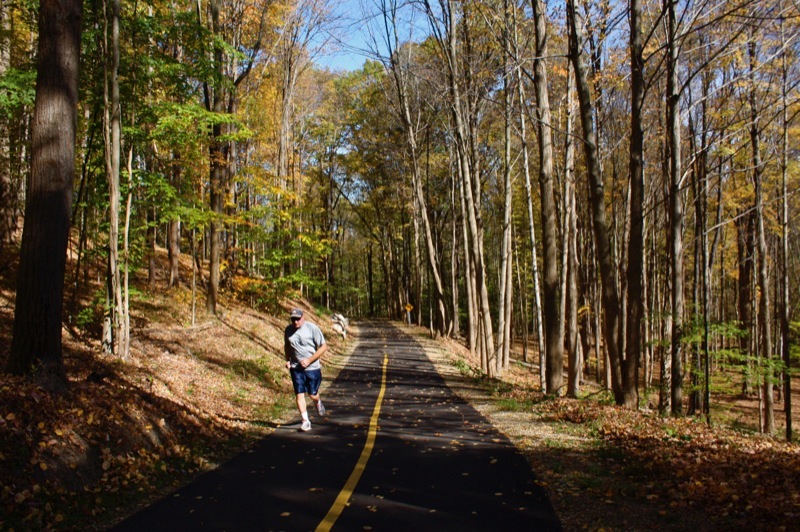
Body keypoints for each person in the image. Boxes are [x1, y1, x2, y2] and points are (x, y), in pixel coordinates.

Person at [284, 308, 327, 431]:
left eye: (297, 319)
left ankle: (317, 402)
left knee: (312, 394)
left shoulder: (312, 328)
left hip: (312, 368)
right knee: (299, 394)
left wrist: (309, 360)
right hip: (296, 367)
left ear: (303, 317)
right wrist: (288, 360)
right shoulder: (288, 330)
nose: (295, 322)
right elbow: (287, 346)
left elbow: (324, 347)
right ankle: (305, 421)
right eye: (293, 319)